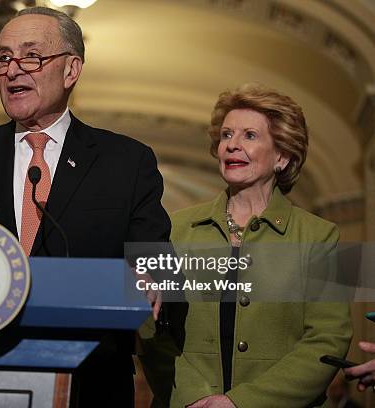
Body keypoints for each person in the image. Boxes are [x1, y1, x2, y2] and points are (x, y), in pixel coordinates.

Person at [0, 6, 180, 407]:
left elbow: (156, 259)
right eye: (3, 58)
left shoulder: (126, 161)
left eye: (31, 56)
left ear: (71, 70)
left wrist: (151, 277)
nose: (13, 70)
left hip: (89, 383)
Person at [144, 83, 352, 407]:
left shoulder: (319, 237)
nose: (231, 146)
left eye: (249, 136)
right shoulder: (172, 230)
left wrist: (241, 403)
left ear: (282, 156)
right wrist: (192, 396)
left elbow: (327, 340)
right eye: (226, 136)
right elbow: (150, 329)